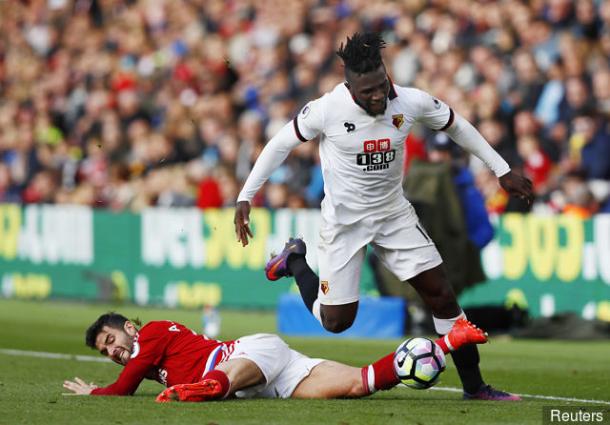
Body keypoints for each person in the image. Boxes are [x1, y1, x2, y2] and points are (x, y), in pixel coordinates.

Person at [233, 32, 533, 401]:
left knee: (442, 296)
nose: (377, 96)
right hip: (344, 224)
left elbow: (456, 125)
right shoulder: (326, 110)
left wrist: (501, 169)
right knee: (337, 322)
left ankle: (476, 387)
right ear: (349, 87)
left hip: (394, 216)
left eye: (381, 86)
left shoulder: (409, 101)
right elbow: (280, 144)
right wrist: (246, 196)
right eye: (367, 92)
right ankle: (295, 260)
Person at [62, 312, 488, 402]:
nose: (113, 351)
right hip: (270, 380)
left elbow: (124, 388)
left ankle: (208, 389)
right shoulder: (148, 352)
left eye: (111, 339)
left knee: (220, 377)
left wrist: (95, 392)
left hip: (250, 353)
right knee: (361, 383)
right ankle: (451, 341)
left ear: (130, 328)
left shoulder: (150, 334)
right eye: (106, 351)